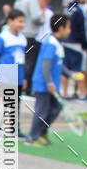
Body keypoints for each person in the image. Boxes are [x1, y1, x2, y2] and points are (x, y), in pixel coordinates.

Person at [26, 13, 70, 147]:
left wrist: (71, 74)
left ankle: (42, 132)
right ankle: (32, 138)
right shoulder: (51, 43)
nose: (70, 30)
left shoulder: (56, 43)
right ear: (61, 28)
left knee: (56, 108)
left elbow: (58, 64)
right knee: (41, 110)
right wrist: (49, 82)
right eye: (69, 27)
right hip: (44, 84)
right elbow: (45, 65)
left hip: (52, 85)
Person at [0, 9, 27, 138]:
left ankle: (13, 128)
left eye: (23, 22)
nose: (22, 24)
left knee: (15, 104)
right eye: (19, 21)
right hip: (4, 76)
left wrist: (25, 78)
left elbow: (23, 59)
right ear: (10, 21)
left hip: (18, 77)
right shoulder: (3, 37)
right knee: (3, 104)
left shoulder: (22, 38)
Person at [15, 0, 44, 93]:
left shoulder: (20, 0)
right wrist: (43, 19)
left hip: (21, 34)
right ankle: (28, 88)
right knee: (30, 63)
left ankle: (20, 86)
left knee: (22, 61)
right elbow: (36, 16)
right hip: (30, 35)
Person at [65, 0, 87, 99]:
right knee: (79, 69)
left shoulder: (68, 7)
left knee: (66, 68)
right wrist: (86, 43)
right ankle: (82, 93)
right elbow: (84, 28)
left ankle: (64, 93)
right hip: (77, 43)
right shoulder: (81, 9)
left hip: (65, 40)